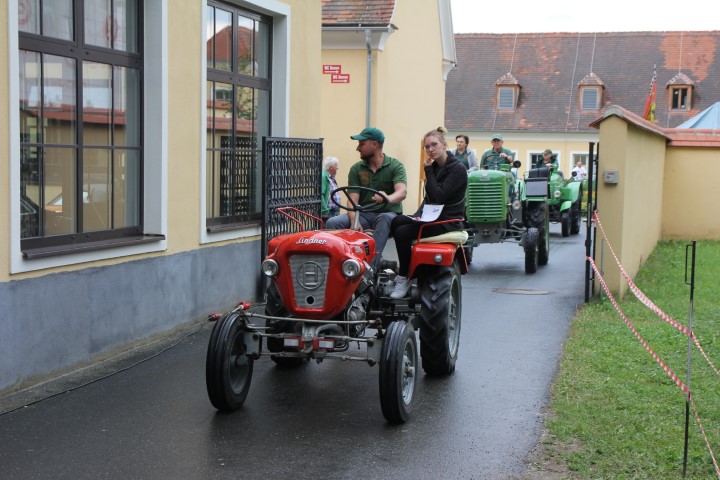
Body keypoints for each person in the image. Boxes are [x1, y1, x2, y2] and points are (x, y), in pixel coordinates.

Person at [389, 127, 467, 299]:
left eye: (434, 145)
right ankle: (402, 267)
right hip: (432, 217)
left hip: (447, 221)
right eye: (427, 147)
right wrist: (417, 215)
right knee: (396, 221)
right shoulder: (437, 167)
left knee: (402, 232)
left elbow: (438, 196)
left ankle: (405, 276)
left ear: (444, 145)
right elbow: (429, 199)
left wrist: (428, 171)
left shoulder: (457, 169)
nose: (430, 149)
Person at [325, 127, 407, 266]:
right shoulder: (357, 168)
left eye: (362, 144)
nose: (358, 148)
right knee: (333, 223)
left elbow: (402, 192)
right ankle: (340, 263)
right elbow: (352, 200)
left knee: (385, 217)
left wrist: (388, 198)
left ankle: (371, 266)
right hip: (363, 214)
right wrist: (354, 220)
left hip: (388, 215)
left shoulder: (395, 166)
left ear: (374, 145)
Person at [321, 156, 341, 221]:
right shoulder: (324, 177)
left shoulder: (331, 178)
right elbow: (321, 195)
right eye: (336, 165)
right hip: (328, 212)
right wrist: (325, 211)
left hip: (333, 212)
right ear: (331, 167)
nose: (338, 167)